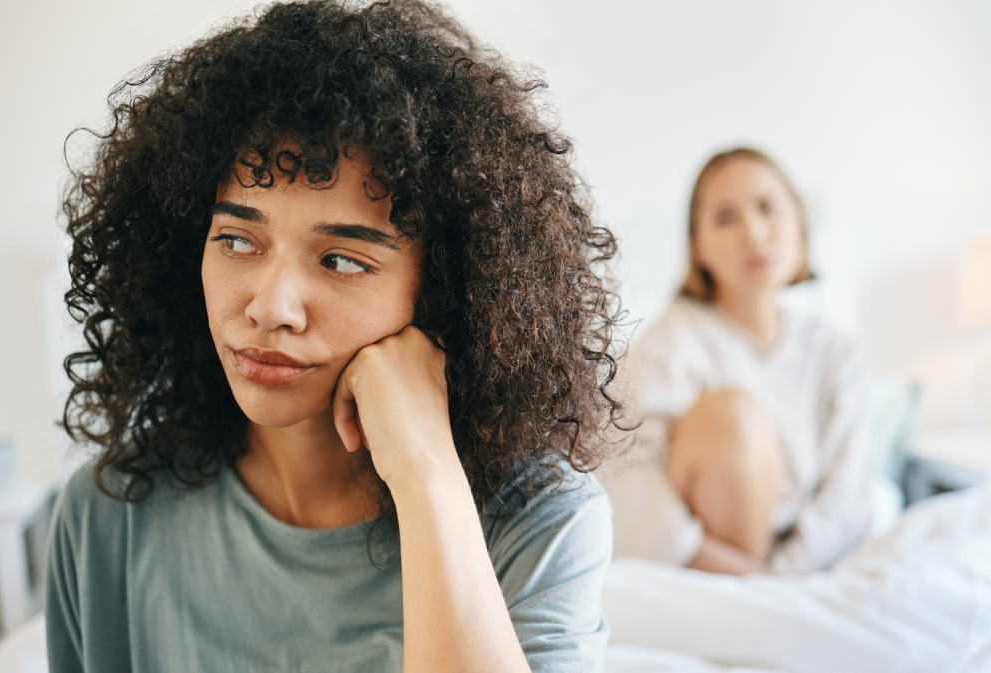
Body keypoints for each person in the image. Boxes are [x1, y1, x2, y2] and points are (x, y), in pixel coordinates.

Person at [46, 2, 625, 671]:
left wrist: (426, 475)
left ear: (445, 289)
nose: (271, 307)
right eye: (236, 240)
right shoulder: (109, 512)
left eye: (342, 259)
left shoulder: (540, 519)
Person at [606, 148, 898, 576]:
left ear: (799, 225)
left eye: (768, 209)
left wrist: (784, 577)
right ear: (697, 247)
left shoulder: (835, 352)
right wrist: (745, 576)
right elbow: (628, 483)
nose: (754, 234)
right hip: (711, 558)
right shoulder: (669, 343)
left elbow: (848, 493)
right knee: (733, 417)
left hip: (795, 562)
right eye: (726, 218)